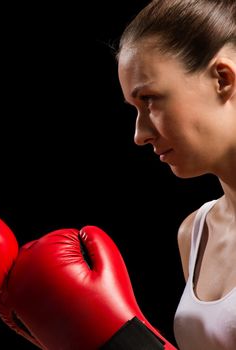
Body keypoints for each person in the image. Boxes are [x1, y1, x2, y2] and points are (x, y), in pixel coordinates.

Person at [117, 0, 236, 349]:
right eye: (134, 109)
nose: (139, 134)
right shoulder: (195, 233)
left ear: (222, 79)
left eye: (150, 99)